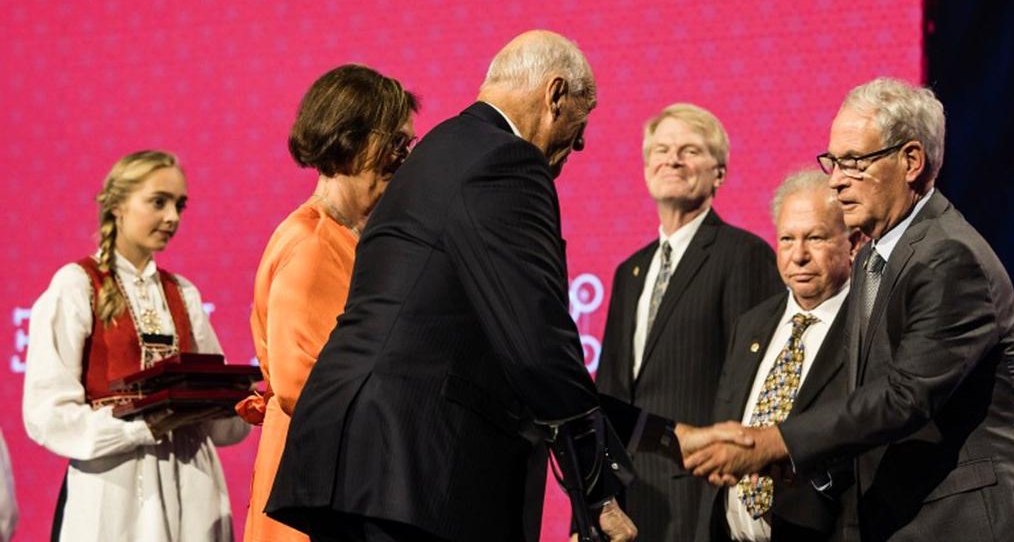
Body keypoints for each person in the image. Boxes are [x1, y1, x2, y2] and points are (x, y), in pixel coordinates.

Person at [266, 31, 637, 542]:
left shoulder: (436, 152)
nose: (579, 143)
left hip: (354, 460)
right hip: (413, 462)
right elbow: (536, 338)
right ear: (554, 96)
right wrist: (596, 490)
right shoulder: (507, 162)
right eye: (581, 121)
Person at [684, 78, 1014, 541]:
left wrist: (777, 441)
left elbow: (906, 396)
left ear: (910, 161)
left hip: (966, 518)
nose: (837, 178)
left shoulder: (947, 255)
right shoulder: (871, 256)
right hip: (904, 516)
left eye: (854, 162)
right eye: (833, 162)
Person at [23, 150, 250, 541]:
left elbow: (224, 428)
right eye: (158, 202)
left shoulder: (183, 293)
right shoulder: (76, 285)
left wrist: (237, 401)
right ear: (117, 205)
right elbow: (47, 414)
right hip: (115, 491)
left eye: (179, 205)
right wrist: (141, 428)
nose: (172, 217)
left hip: (192, 487)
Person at [238, 64, 418, 542]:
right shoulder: (313, 243)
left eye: (408, 147)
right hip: (312, 497)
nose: (404, 160)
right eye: (397, 144)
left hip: (328, 485)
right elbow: (306, 388)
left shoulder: (347, 237)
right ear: (350, 139)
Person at [596, 103, 778, 541]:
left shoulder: (744, 256)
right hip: (627, 503)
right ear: (645, 168)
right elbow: (608, 395)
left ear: (719, 172)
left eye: (688, 150)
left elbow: (747, 384)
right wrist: (594, 501)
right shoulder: (630, 271)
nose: (672, 159)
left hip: (700, 497)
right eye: (660, 150)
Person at [694, 170, 859, 542]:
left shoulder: (868, 326)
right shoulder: (751, 324)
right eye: (787, 239)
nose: (798, 255)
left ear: (852, 242)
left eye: (815, 238)